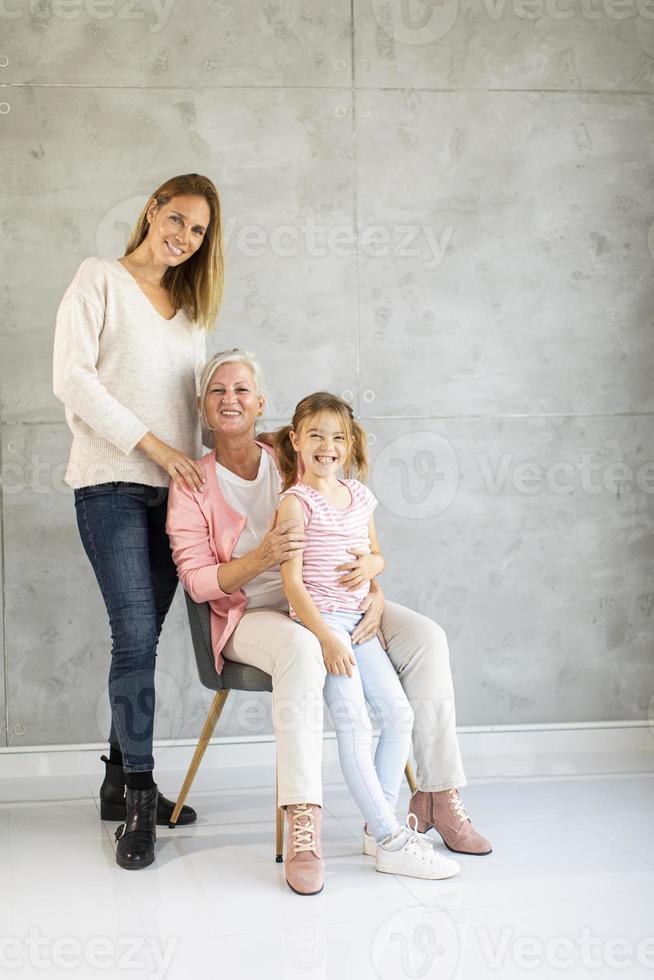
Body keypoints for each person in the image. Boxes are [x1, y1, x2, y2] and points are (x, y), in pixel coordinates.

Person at [166, 348, 492, 897]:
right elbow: (197, 582)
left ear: (261, 403)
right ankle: (304, 820)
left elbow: (351, 530)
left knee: (427, 639)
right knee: (303, 648)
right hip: (253, 613)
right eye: (218, 391)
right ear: (202, 406)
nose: (231, 400)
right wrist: (262, 557)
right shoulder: (192, 483)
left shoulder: (289, 452)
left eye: (241, 389)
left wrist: (377, 590)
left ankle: (434, 792)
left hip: (338, 603)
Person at [53, 173, 224, 871]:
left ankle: (116, 779)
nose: (183, 237)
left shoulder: (190, 312)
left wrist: (250, 449)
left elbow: (198, 412)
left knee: (143, 639)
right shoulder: (98, 278)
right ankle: (143, 800)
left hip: (175, 498)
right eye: (177, 219)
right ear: (152, 210)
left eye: (198, 231)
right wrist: (152, 445)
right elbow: (72, 379)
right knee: (132, 633)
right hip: (112, 486)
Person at [273, 393, 461, 882]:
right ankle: (390, 837)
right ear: (295, 441)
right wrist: (326, 641)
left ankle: (374, 826)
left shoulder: (359, 496)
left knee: (399, 715)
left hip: (360, 623)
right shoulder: (296, 504)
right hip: (325, 626)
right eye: (315, 435)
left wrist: (374, 568)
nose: (327, 446)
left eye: (337, 437)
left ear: (350, 443)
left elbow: (376, 554)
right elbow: (292, 583)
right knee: (355, 724)